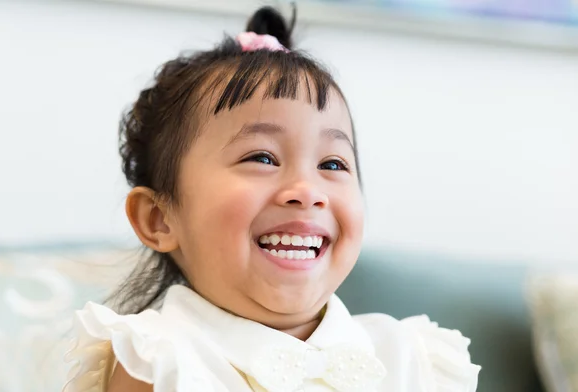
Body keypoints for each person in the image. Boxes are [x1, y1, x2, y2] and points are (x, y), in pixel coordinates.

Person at [63, 6, 480, 392]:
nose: (307, 192)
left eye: (333, 164)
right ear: (159, 219)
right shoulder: (159, 358)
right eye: (262, 157)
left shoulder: (412, 357)